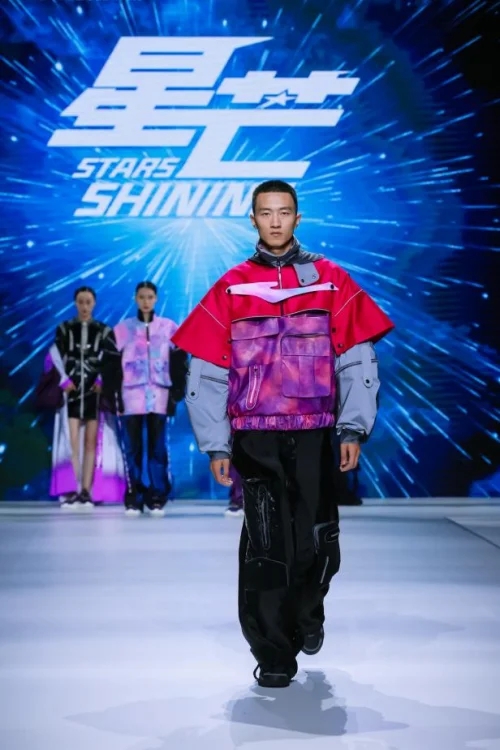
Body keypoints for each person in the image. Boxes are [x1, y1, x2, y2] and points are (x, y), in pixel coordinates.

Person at [173, 180, 394, 688]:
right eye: (266, 212)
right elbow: (206, 371)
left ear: (298, 217)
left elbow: (357, 358)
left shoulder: (331, 280)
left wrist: (352, 428)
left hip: (316, 433)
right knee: (266, 544)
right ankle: (273, 652)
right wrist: (216, 443)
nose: (275, 221)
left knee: (316, 540)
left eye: (284, 211)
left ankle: (308, 612)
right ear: (252, 219)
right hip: (254, 437)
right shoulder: (232, 287)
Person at [44, 286, 126, 508]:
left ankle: (86, 491)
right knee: (71, 442)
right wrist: (63, 379)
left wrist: (101, 380)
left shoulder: (103, 330)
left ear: (94, 303)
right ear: (75, 303)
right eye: (81, 302)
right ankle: (73, 489)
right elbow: (55, 354)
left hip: (93, 393)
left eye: (88, 302)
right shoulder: (64, 329)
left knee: (91, 442)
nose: (84, 306)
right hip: (71, 392)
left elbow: (110, 359)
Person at [112, 282, 187, 517]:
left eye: (150, 297)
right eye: (142, 297)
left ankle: (157, 496)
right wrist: (115, 394)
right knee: (132, 449)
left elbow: (180, 361)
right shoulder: (123, 329)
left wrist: (177, 391)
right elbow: (112, 365)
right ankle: (134, 496)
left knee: (157, 448)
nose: (146, 301)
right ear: (135, 298)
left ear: (156, 299)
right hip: (130, 395)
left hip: (159, 395)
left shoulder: (168, 327)